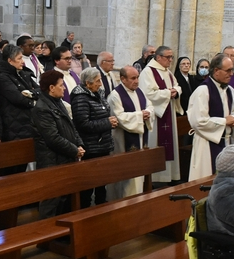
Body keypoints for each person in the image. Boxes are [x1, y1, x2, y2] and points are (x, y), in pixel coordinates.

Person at [32, 71, 85, 218]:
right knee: (51, 202)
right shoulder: (42, 108)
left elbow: (71, 126)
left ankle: (62, 231)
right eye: (61, 85)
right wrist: (74, 150)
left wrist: (79, 144)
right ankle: (46, 231)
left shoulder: (57, 102)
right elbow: (52, 138)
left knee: (64, 201)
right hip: (52, 161)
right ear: (51, 88)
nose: (64, 88)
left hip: (64, 158)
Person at [187, 53, 234, 180]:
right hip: (206, 144)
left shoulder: (230, 90)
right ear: (216, 71)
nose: (231, 74)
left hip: (226, 141)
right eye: (228, 70)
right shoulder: (203, 91)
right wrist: (224, 121)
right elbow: (198, 122)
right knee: (206, 180)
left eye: (232, 70)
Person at [71, 67, 117, 207]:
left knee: (102, 182)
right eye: (97, 81)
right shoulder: (80, 98)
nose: (100, 83)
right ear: (88, 83)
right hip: (91, 147)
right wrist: (107, 123)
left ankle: (101, 206)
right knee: (89, 183)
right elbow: (83, 124)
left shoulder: (98, 94)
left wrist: (109, 121)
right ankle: (86, 210)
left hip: (103, 144)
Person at [108, 66, 154, 199]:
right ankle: (123, 203)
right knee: (126, 178)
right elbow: (119, 117)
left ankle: (139, 199)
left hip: (140, 138)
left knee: (139, 175)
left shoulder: (140, 91)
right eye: (133, 78)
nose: (137, 81)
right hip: (123, 141)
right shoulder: (115, 95)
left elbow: (150, 106)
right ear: (123, 79)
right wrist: (140, 115)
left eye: (137, 77)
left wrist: (148, 112)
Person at [140, 46, 183, 183]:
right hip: (157, 115)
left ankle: (170, 176)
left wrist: (176, 91)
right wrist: (168, 93)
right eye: (168, 57)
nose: (170, 60)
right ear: (158, 57)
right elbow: (148, 94)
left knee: (170, 145)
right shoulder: (148, 72)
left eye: (172, 57)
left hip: (168, 111)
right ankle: (156, 178)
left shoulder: (167, 72)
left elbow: (177, 85)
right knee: (156, 143)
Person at [0, 45, 39, 148]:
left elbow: (40, 90)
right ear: (10, 61)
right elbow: (18, 99)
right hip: (14, 123)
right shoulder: (3, 77)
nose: (22, 62)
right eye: (19, 59)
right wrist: (33, 101)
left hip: (28, 121)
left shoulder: (23, 73)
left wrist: (30, 93)